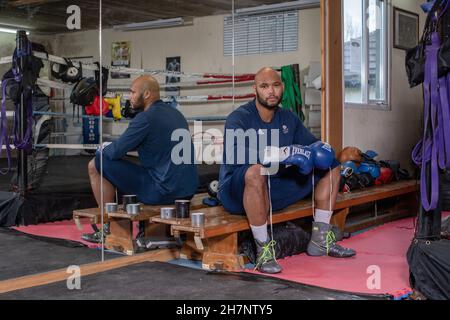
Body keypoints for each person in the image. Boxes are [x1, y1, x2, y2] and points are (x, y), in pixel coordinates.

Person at [218, 67, 356, 274]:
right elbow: (235, 152)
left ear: (282, 87)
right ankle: (264, 251)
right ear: (255, 89)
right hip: (236, 191)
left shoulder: (288, 119)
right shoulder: (239, 118)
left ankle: (319, 240)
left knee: (331, 165)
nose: (271, 91)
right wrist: (281, 153)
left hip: (274, 187)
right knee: (256, 171)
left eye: (275, 85)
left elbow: (312, 146)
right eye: (264, 86)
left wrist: (320, 150)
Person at [86, 75, 199, 241]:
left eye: (132, 92)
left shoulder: (145, 118)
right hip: (187, 190)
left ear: (146, 94)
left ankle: (106, 228)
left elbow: (114, 152)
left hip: (162, 192)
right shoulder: (177, 114)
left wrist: (102, 147)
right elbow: (152, 142)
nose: (129, 97)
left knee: (96, 163)